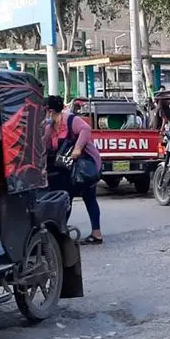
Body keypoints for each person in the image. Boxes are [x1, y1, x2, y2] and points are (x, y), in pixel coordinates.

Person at [43, 95, 104, 245]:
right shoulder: (49, 128)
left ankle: (97, 234)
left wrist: (77, 148)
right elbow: (44, 147)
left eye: (44, 112)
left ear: (50, 111)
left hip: (84, 166)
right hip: (67, 169)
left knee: (89, 198)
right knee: (65, 198)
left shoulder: (70, 119)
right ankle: (61, 233)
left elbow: (85, 129)